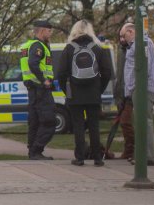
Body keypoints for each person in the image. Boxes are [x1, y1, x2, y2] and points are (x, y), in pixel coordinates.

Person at [56, 20, 113, 166]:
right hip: (93, 93)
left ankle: (80, 157)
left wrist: (67, 90)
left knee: (78, 126)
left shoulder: (69, 48)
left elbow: (61, 73)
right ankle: (97, 158)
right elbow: (107, 72)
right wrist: (99, 89)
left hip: (75, 94)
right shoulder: (98, 48)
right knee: (94, 125)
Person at [123, 22, 154, 166]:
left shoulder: (142, 43)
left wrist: (132, 87)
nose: (123, 39)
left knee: (144, 122)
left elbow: (142, 67)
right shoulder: (139, 44)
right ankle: (142, 154)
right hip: (140, 88)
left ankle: (147, 156)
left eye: (124, 35)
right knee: (141, 121)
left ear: (131, 32)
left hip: (143, 89)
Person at [20, 19, 57, 160]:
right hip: (41, 89)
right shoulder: (38, 46)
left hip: (33, 89)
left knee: (35, 122)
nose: (50, 33)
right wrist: (44, 80)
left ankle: (33, 152)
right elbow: (33, 63)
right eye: (49, 31)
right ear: (42, 31)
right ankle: (36, 150)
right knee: (49, 121)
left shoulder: (28, 45)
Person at [113, 25, 136, 162]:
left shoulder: (132, 50)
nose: (122, 39)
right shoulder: (121, 51)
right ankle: (129, 149)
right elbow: (120, 75)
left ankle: (131, 150)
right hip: (121, 93)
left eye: (123, 36)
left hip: (130, 92)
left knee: (125, 122)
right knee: (124, 123)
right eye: (120, 37)